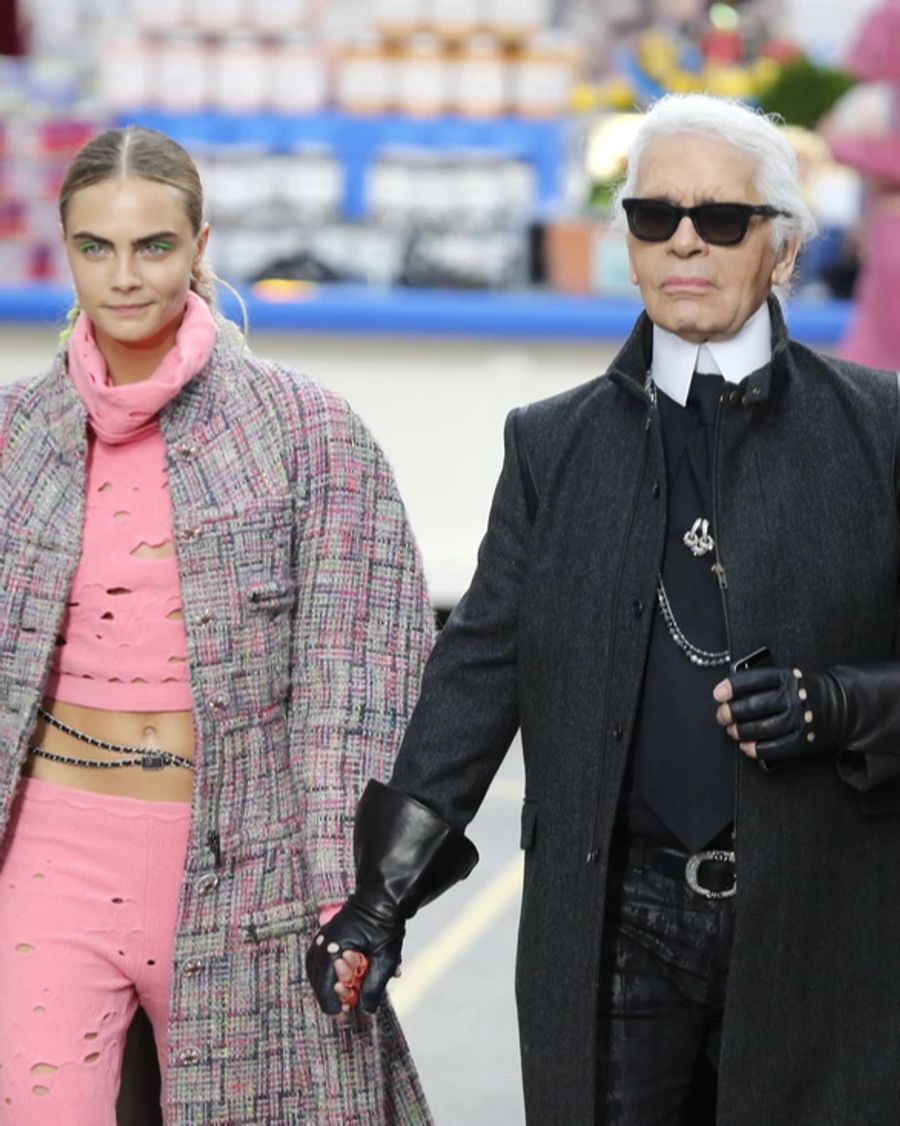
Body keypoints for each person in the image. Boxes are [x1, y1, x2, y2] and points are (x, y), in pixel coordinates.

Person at [307, 93, 900, 1125]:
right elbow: (479, 670)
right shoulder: (552, 444)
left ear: (785, 249)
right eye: (652, 215)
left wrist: (844, 705)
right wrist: (381, 894)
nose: (683, 240)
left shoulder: (882, 432)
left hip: (824, 914)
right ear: (625, 242)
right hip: (613, 919)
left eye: (721, 219)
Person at [0, 125, 435, 1125]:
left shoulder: (305, 430)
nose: (123, 277)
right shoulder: (17, 435)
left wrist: (351, 894)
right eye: (94, 247)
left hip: (251, 866)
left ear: (202, 244)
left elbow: (359, 678)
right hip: (52, 846)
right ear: (64, 249)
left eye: (153, 245)